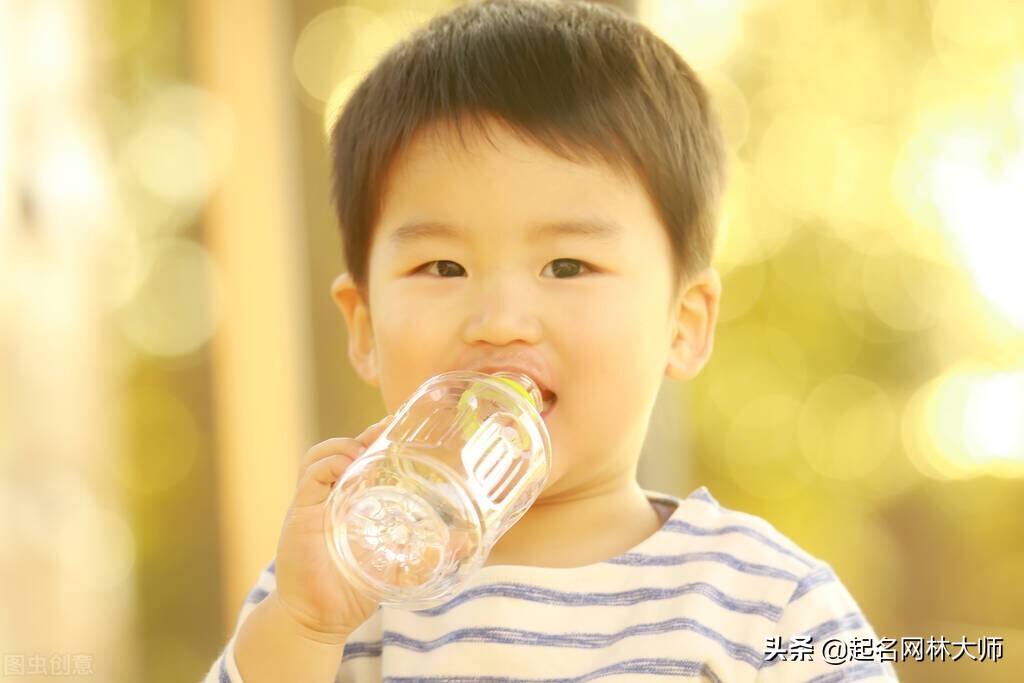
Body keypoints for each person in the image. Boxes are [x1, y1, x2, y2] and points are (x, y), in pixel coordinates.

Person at [204, 1, 897, 680]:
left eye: (567, 266)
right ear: (365, 327)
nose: (501, 318)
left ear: (682, 325)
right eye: (442, 267)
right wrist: (304, 624)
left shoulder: (767, 605)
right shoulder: (339, 589)